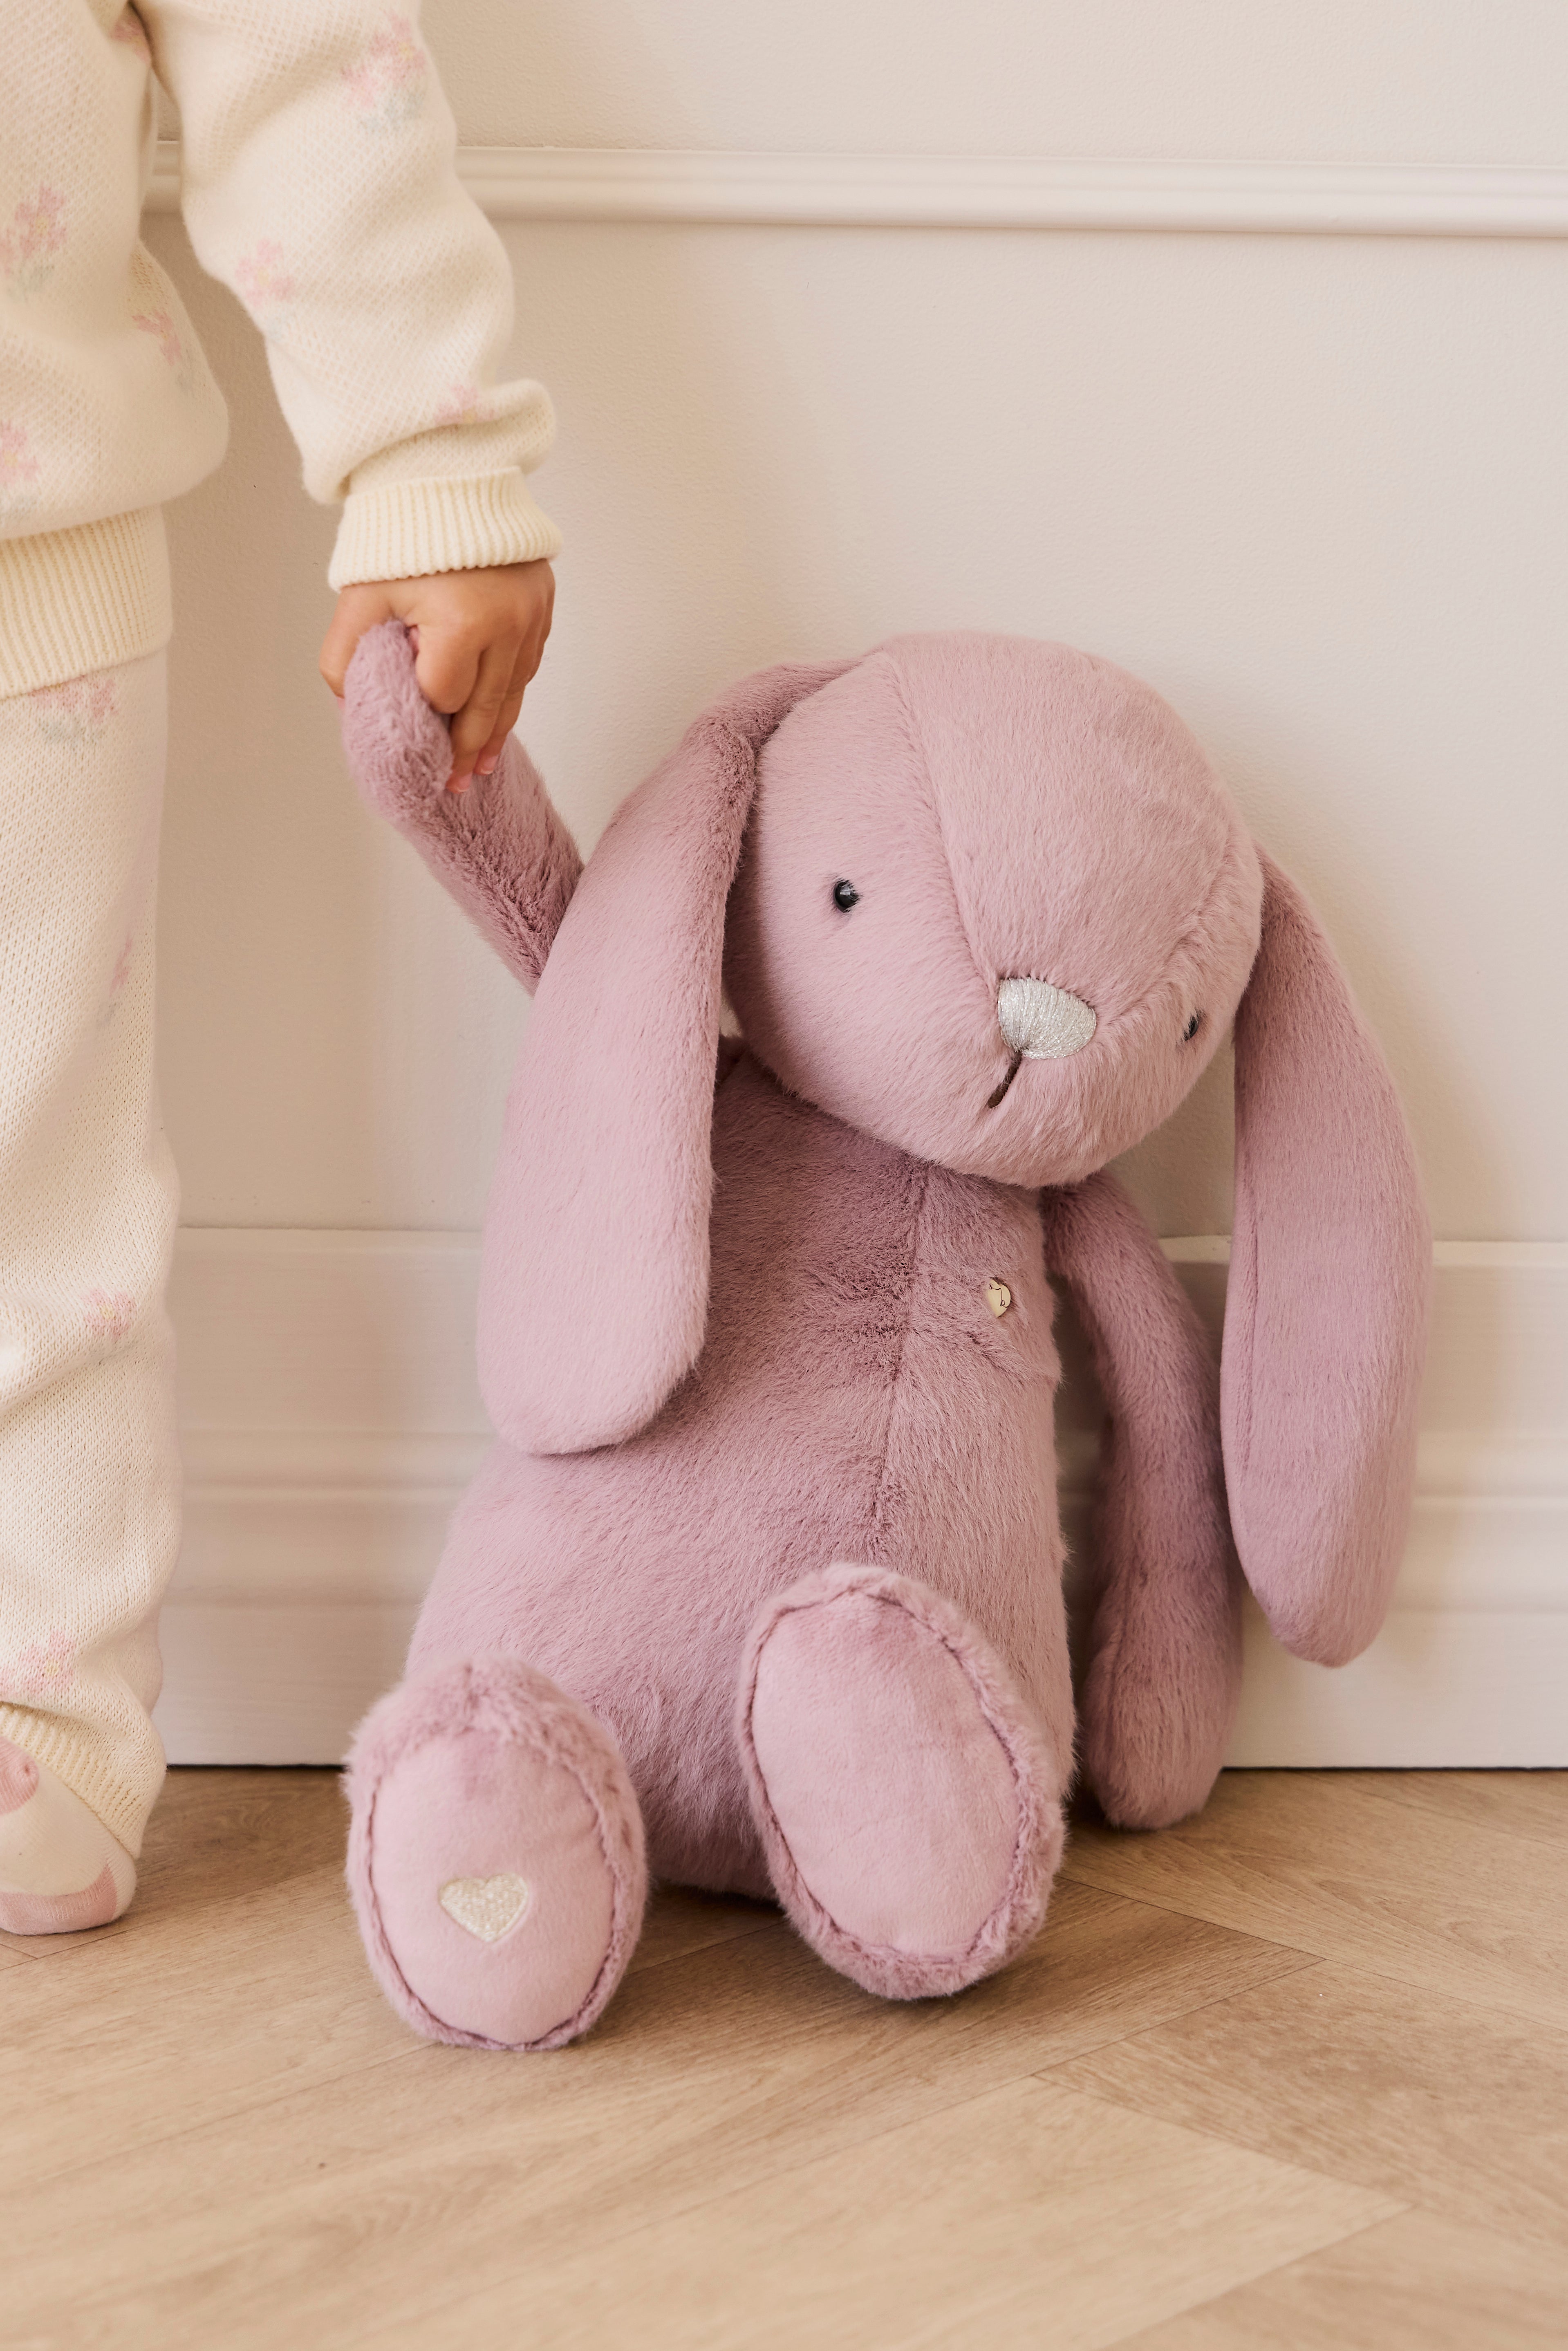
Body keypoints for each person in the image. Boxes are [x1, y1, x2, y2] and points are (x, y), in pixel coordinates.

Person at [0, 0, 558, 1930]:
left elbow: (305, 55)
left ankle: (37, 1713)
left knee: (34, 1204)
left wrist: (430, 454)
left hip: (25, 574)